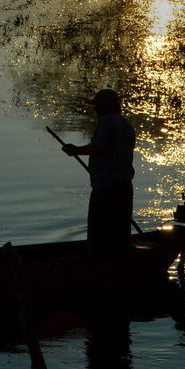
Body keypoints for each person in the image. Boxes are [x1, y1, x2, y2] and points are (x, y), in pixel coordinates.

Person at [62, 88, 136, 257]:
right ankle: (122, 264)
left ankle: (100, 268)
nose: (95, 109)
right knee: (120, 234)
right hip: (123, 187)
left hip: (107, 189)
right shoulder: (125, 125)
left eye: (99, 105)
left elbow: (98, 147)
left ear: (109, 105)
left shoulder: (108, 121)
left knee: (99, 235)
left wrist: (76, 150)